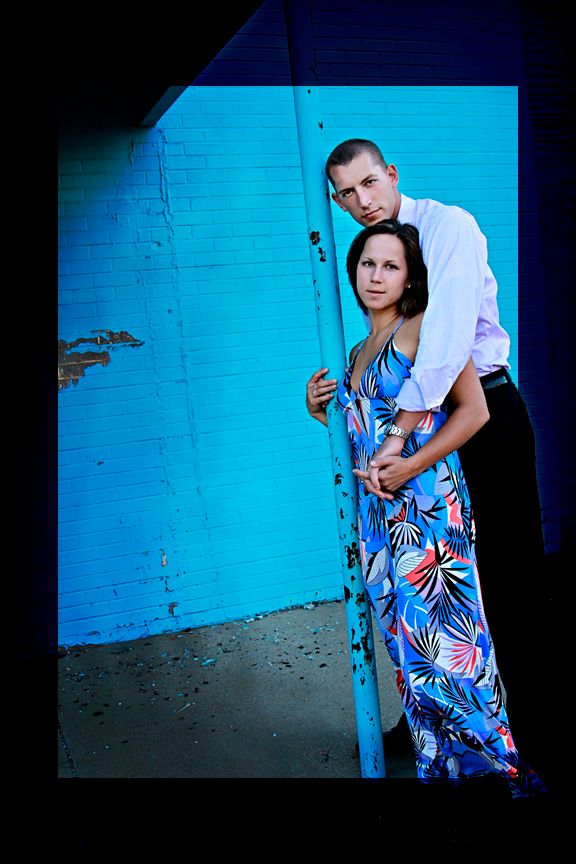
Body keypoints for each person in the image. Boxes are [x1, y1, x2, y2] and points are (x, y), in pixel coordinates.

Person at [306, 139, 546, 767]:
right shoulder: (386, 261)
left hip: (480, 413)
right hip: (425, 433)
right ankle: (434, 725)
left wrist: (398, 441)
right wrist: (337, 405)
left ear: (391, 174)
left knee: (504, 581)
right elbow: (383, 377)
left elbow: (444, 341)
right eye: (346, 194)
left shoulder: (446, 227)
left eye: (368, 183)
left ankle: (519, 738)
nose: (361, 201)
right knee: (428, 595)